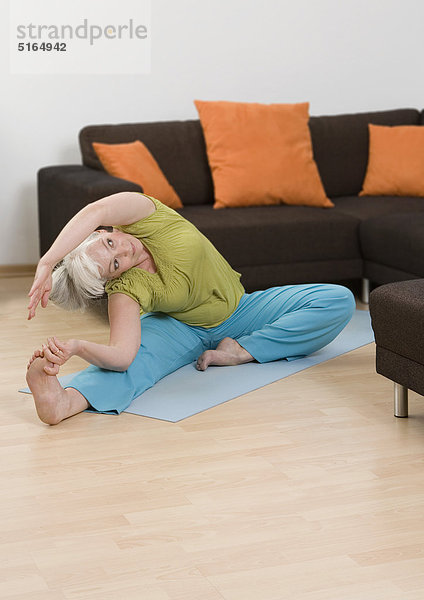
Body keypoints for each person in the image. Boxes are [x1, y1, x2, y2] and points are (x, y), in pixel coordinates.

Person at [26, 191, 355, 425]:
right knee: (137, 362)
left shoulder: (144, 216)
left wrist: (48, 261)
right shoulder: (125, 288)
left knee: (337, 300)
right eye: (115, 264)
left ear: (102, 233)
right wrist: (79, 347)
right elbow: (122, 355)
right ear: (114, 276)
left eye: (110, 243)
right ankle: (64, 402)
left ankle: (242, 351)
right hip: (180, 328)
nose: (123, 252)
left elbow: (94, 209)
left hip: (241, 310)